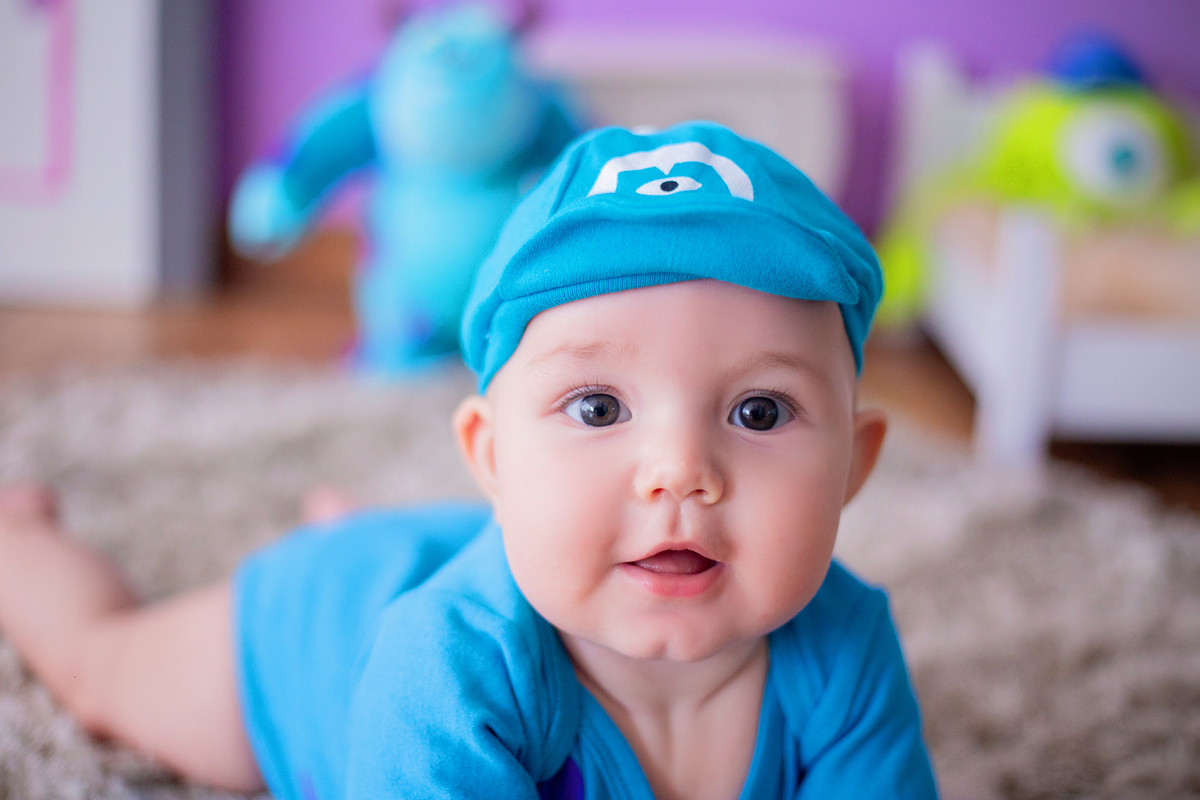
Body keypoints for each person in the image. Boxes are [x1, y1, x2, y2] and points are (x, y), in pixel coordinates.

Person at [0, 122, 938, 799]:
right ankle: (20, 539)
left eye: (759, 410)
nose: (680, 472)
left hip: (478, 554)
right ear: (490, 454)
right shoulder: (446, 669)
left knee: (540, 544)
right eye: (599, 406)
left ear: (853, 466)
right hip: (305, 634)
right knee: (102, 671)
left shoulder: (846, 649)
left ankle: (367, 524)